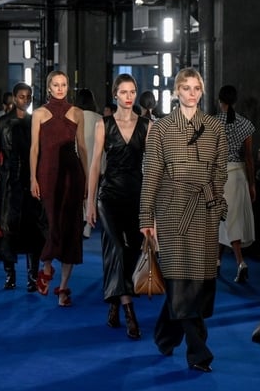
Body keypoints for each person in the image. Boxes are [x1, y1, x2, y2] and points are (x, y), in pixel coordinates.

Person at [139, 67, 228, 373]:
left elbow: (220, 171)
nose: (192, 93)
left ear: (202, 91)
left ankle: (164, 336)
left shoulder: (215, 127)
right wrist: (146, 216)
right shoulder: (161, 128)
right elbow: (151, 174)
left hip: (204, 209)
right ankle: (199, 352)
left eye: (196, 88)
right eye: (186, 88)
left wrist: (217, 203)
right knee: (179, 279)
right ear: (176, 91)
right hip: (172, 210)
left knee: (198, 282)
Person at [86, 73, 151, 340]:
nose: (128, 96)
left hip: (137, 195)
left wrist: (152, 206)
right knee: (115, 247)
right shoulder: (103, 124)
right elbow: (94, 165)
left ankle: (114, 301)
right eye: (123, 92)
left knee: (133, 251)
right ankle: (129, 311)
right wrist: (89, 202)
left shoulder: (147, 125)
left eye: (132, 91)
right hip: (109, 196)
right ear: (115, 94)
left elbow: (153, 167)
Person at [30, 70, 88, 307]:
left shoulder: (77, 113)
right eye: (56, 85)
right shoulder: (39, 114)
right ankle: (46, 264)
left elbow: (82, 147)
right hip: (47, 173)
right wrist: (32, 178)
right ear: (49, 87)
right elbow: (34, 148)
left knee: (71, 229)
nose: (60, 88)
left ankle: (63, 287)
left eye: (64, 84)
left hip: (72, 175)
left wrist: (87, 180)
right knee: (51, 224)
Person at [0, 82, 47, 291]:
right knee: (7, 229)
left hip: (31, 181)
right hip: (9, 182)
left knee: (33, 229)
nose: (25, 100)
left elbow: (42, 154)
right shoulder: (1, 123)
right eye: (21, 96)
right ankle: (10, 275)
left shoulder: (35, 122)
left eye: (28, 96)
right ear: (14, 97)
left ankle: (32, 277)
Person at [215, 85, 256, 283]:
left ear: (219, 101)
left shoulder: (212, 123)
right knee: (231, 220)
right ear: (236, 101)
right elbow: (249, 157)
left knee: (224, 220)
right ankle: (217, 262)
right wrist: (252, 184)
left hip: (220, 175)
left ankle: (240, 262)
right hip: (239, 175)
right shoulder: (246, 124)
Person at [74, 88, 102, 240]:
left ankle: (79, 221)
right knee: (92, 192)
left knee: (78, 193)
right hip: (94, 161)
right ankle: (88, 227)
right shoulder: (99, 118)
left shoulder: (74, 116)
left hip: (78, 160)